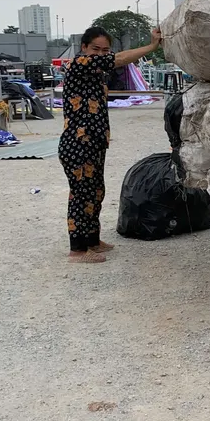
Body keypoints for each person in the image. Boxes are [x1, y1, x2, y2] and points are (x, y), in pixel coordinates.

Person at [60, 25, 163, 263]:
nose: (100, 54)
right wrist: (152, 46)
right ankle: (77, 250)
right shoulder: (79, 63)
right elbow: (119, 59)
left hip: (94, 142)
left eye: (105, 50)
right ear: (84, 47)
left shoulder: (95, 73)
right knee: (81, 195)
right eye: (95, 49)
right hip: (77, 143)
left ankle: (92, 240)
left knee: (96, 192)